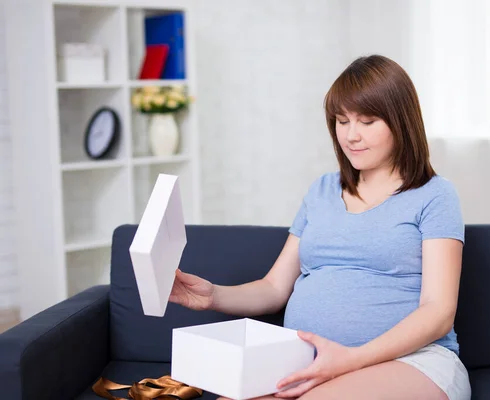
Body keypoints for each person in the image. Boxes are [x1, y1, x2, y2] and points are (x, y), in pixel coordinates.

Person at [169, 54, 471, 400]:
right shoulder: (322, 190)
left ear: (401, 122)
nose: (351, 136)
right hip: (311, 364)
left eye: (368, 121)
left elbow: (438, 312)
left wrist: (348, 360)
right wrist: (212, 296)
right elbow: (273, 288)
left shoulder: (434, 195)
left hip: (412, 362)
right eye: (342, 121)